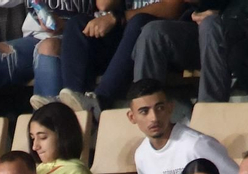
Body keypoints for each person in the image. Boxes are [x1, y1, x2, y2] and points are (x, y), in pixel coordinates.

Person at [126, 80, 241, 174]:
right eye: (144, 111)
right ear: (132, 117)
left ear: (170, 108)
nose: (154, 118)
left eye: (160, 108)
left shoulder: (196, 144)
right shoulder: (141, 155)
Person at [0, 0, 86, 116]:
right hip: (33, 40)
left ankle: (46, 133)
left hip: (75, 40)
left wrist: (64, 25)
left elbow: (100, 15)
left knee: (47, 48)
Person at [51, 0, 179, 113]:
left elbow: (172, 8)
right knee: (77, 24)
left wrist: (119, 17)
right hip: (126, 33)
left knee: (139, 21)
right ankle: (72, 100)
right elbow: (103, 5)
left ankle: (100, 100)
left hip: (163, 36)